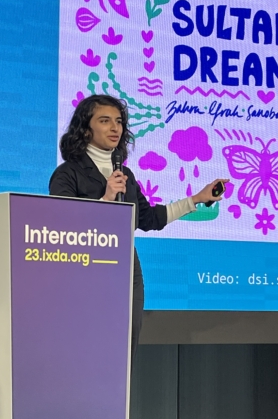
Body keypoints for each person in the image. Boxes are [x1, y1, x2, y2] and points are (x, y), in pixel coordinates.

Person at [49, 94, 227, 357]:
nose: (115, 128)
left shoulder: (125, 174)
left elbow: (148, 219)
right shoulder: (67, 173)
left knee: (123, 352)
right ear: (86, 129)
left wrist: (197, 199)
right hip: (85, 269)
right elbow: (59, 228)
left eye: (119, 121)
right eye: (105, 120)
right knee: (89, 351)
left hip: (126, 268)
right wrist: (107, 198)